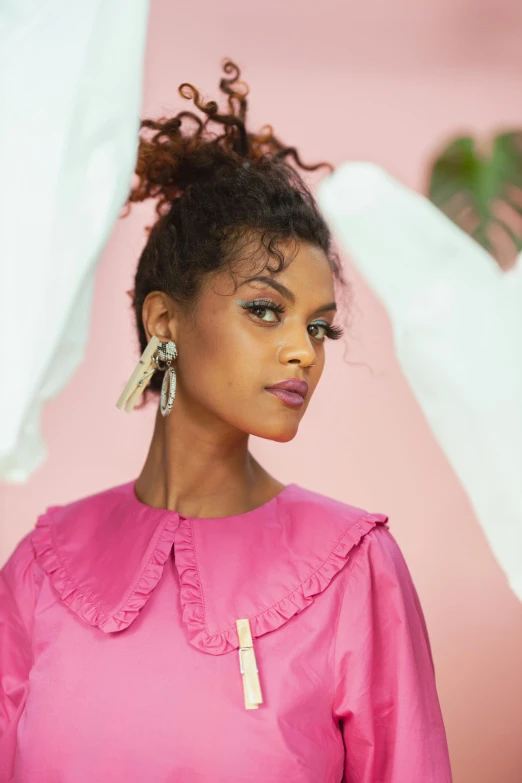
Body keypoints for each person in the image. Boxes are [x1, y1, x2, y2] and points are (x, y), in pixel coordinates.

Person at [0, 60, 453, 782]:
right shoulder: (39, 571)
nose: (302, 350)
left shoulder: (355, 569)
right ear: (164, 319)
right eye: (265, 310)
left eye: (320, 328)